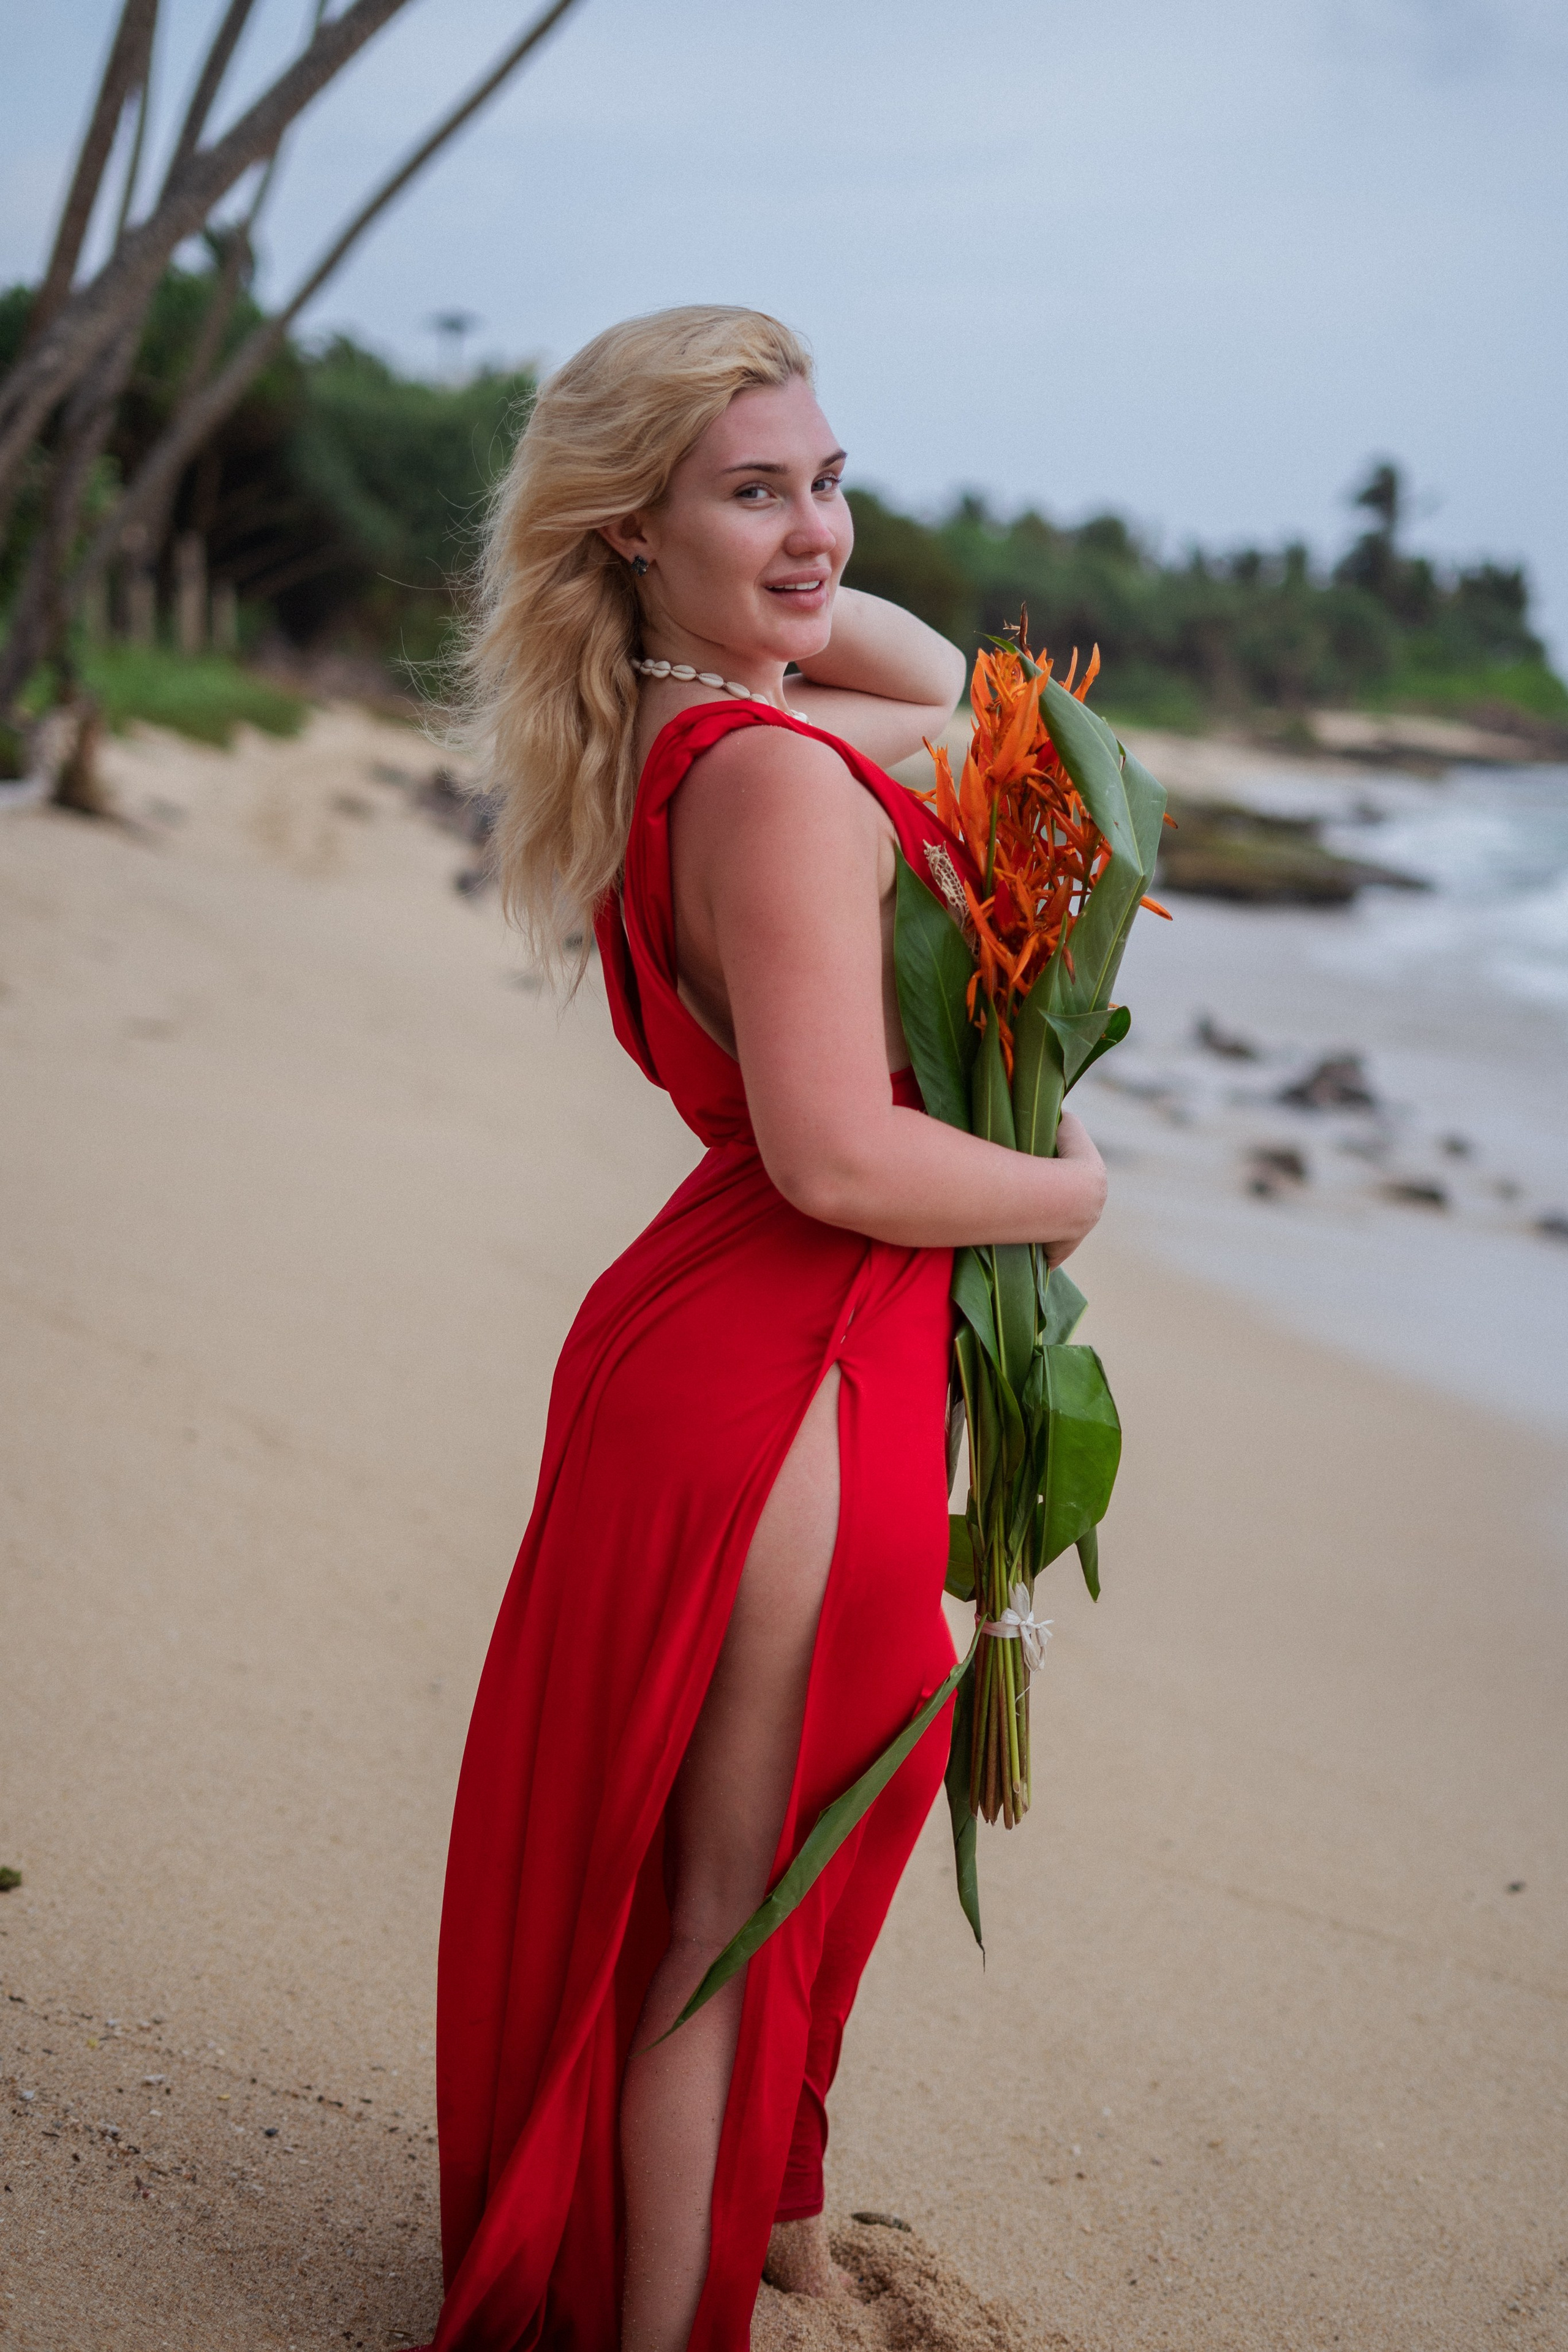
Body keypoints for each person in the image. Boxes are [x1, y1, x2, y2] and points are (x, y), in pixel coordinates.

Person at [422, 306, 1106, 2352]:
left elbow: (985, 701)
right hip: (787, 1362)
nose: (819, 531)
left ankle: (768, 2235)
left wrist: (773, 558)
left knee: (800, 1835)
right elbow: (834, 1155)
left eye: (830, 477)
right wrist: (1072, 1192)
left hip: (764, 1338)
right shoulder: (780, 785)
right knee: (720, 1909)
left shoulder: (674, 727)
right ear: (629, 526)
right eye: (756, 490)